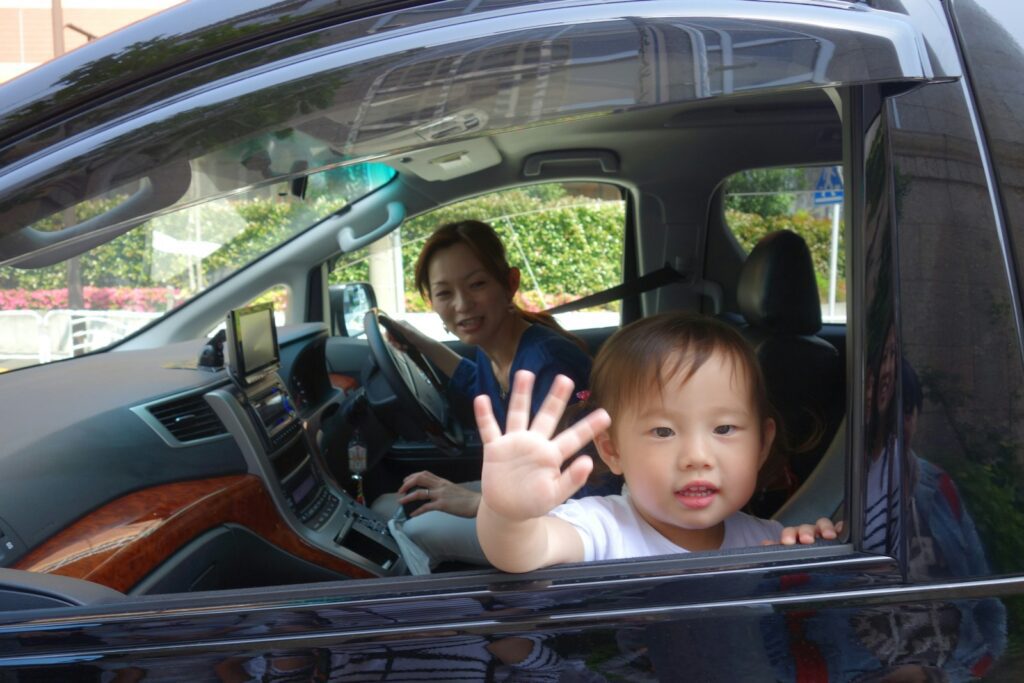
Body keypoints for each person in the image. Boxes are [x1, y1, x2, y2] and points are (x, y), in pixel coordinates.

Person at [476, 312, 837, 573]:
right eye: (663, 432)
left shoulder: (769, 541)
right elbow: (523, 550)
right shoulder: (601, 528)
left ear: (761, 445)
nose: (697, 457)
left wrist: (813, 550)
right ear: (612, 450)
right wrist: (508, 514)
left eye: (724, 429)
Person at [373, 219, 594, 569]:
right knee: (386, 506)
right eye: (444, 293)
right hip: (524, 492)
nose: (462, 304)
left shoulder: (549, 365)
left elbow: (575, 486)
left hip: (569, 521)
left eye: (477, 284)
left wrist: (475, 503)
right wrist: (418, 341)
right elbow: (473, 380)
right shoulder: (494, 349)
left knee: (413, 531)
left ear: (510, 284)